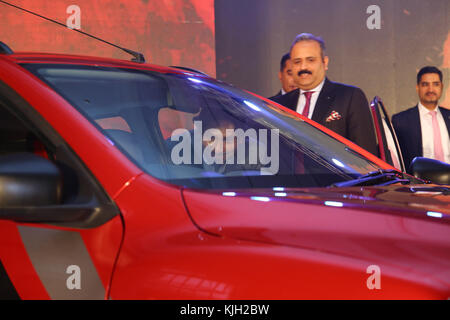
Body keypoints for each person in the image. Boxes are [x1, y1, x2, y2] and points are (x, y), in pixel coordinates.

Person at [271, 33, 378, 156]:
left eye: (310, 60)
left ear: (325, 62)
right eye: (297, 62)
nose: (303, 67)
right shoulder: (278, 105)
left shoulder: (349, 97)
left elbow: (367, 158)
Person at [392, 66, 450, 171]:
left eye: (435, 84)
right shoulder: (400, 121)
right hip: (419, 185)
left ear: (441, 87)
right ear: (417, 87)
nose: (431, 89)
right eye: (425, 84)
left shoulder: (448, 116)